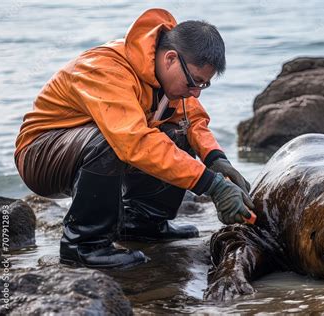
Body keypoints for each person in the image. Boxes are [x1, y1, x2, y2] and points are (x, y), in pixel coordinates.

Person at [14, 8, 255, 269]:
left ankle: (142, 223)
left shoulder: (166, 80)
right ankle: (83, 245)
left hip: (83, 145)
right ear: (171, 59)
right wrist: (212, 185)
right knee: (111, 142)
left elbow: (193, 121)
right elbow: (134, 141)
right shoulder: (107, 68)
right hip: (40, 155)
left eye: (203, 85)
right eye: (194, 82)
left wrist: (216, 160)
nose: (196, 93)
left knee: (177, 133)